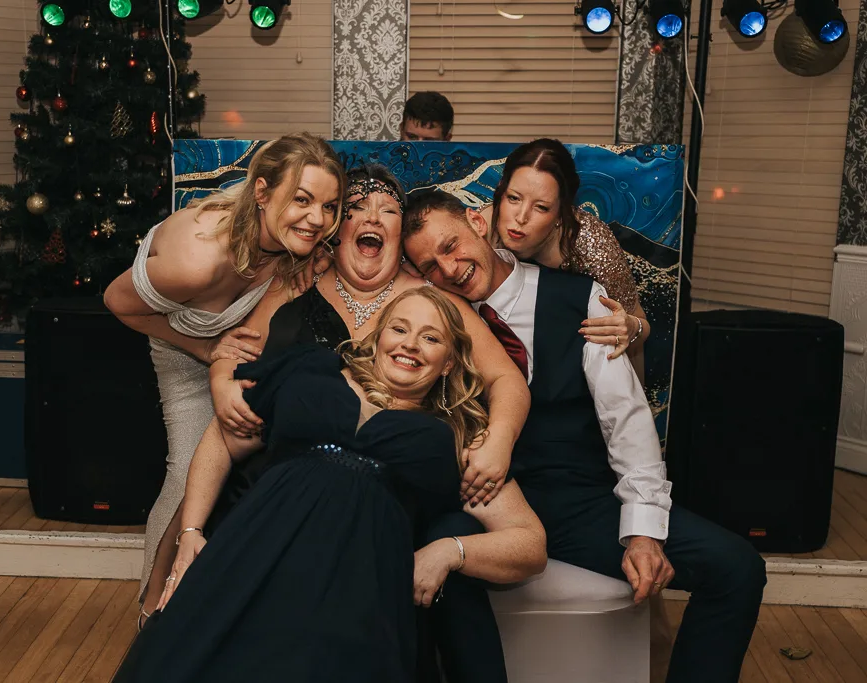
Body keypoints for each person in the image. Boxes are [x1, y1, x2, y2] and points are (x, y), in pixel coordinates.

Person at [402, 190, 766, 683]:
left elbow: (626, 416)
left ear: (476, 221)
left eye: (451, 246)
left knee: (738, 568)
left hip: (578, 500)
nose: (449, 269)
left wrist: (641, 530)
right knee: (437, 561)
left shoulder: (577, 296)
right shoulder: (432, 316)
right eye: (431, 266)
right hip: (489, 503)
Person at [112, 288, 548, 683]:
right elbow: (223, 440)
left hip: (355, 591)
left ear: (449, 362)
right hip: (256, 553)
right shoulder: (311, 372)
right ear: (378, 338)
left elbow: (529, 543)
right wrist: (191, 532)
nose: (411, 344)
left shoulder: (458, 436)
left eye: (431, 338)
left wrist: (449, 552)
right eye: (399, 328)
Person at [103, 133, 345, 624]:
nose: (317, 219)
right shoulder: (196, 261)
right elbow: (115, 302)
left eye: (329, 205)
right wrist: (205, 348)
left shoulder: (297, 246)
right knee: (187, 473)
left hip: (233, 352)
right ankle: (151, 612)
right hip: (177, 344)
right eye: (302, 199)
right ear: (261, 193)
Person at [207, 165, 529, 513]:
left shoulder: (435, 302)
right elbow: (238, 351)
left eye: (388, 210)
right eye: (357, 207)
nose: (373, 218)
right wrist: (220, 381)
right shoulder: (295, 283)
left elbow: (506, 377)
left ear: (399, 234)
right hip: (275, 480)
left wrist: (499, 439)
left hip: (389, 492)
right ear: (336, 228)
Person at [480, 138, 652, 373]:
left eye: (541, 207)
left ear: (561, 213)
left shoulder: (590, 244)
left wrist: (632, 328)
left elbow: (637, 324)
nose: (521, 217)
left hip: (568, 362)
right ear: (500, 191)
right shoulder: (480, 230)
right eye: (513, 198)